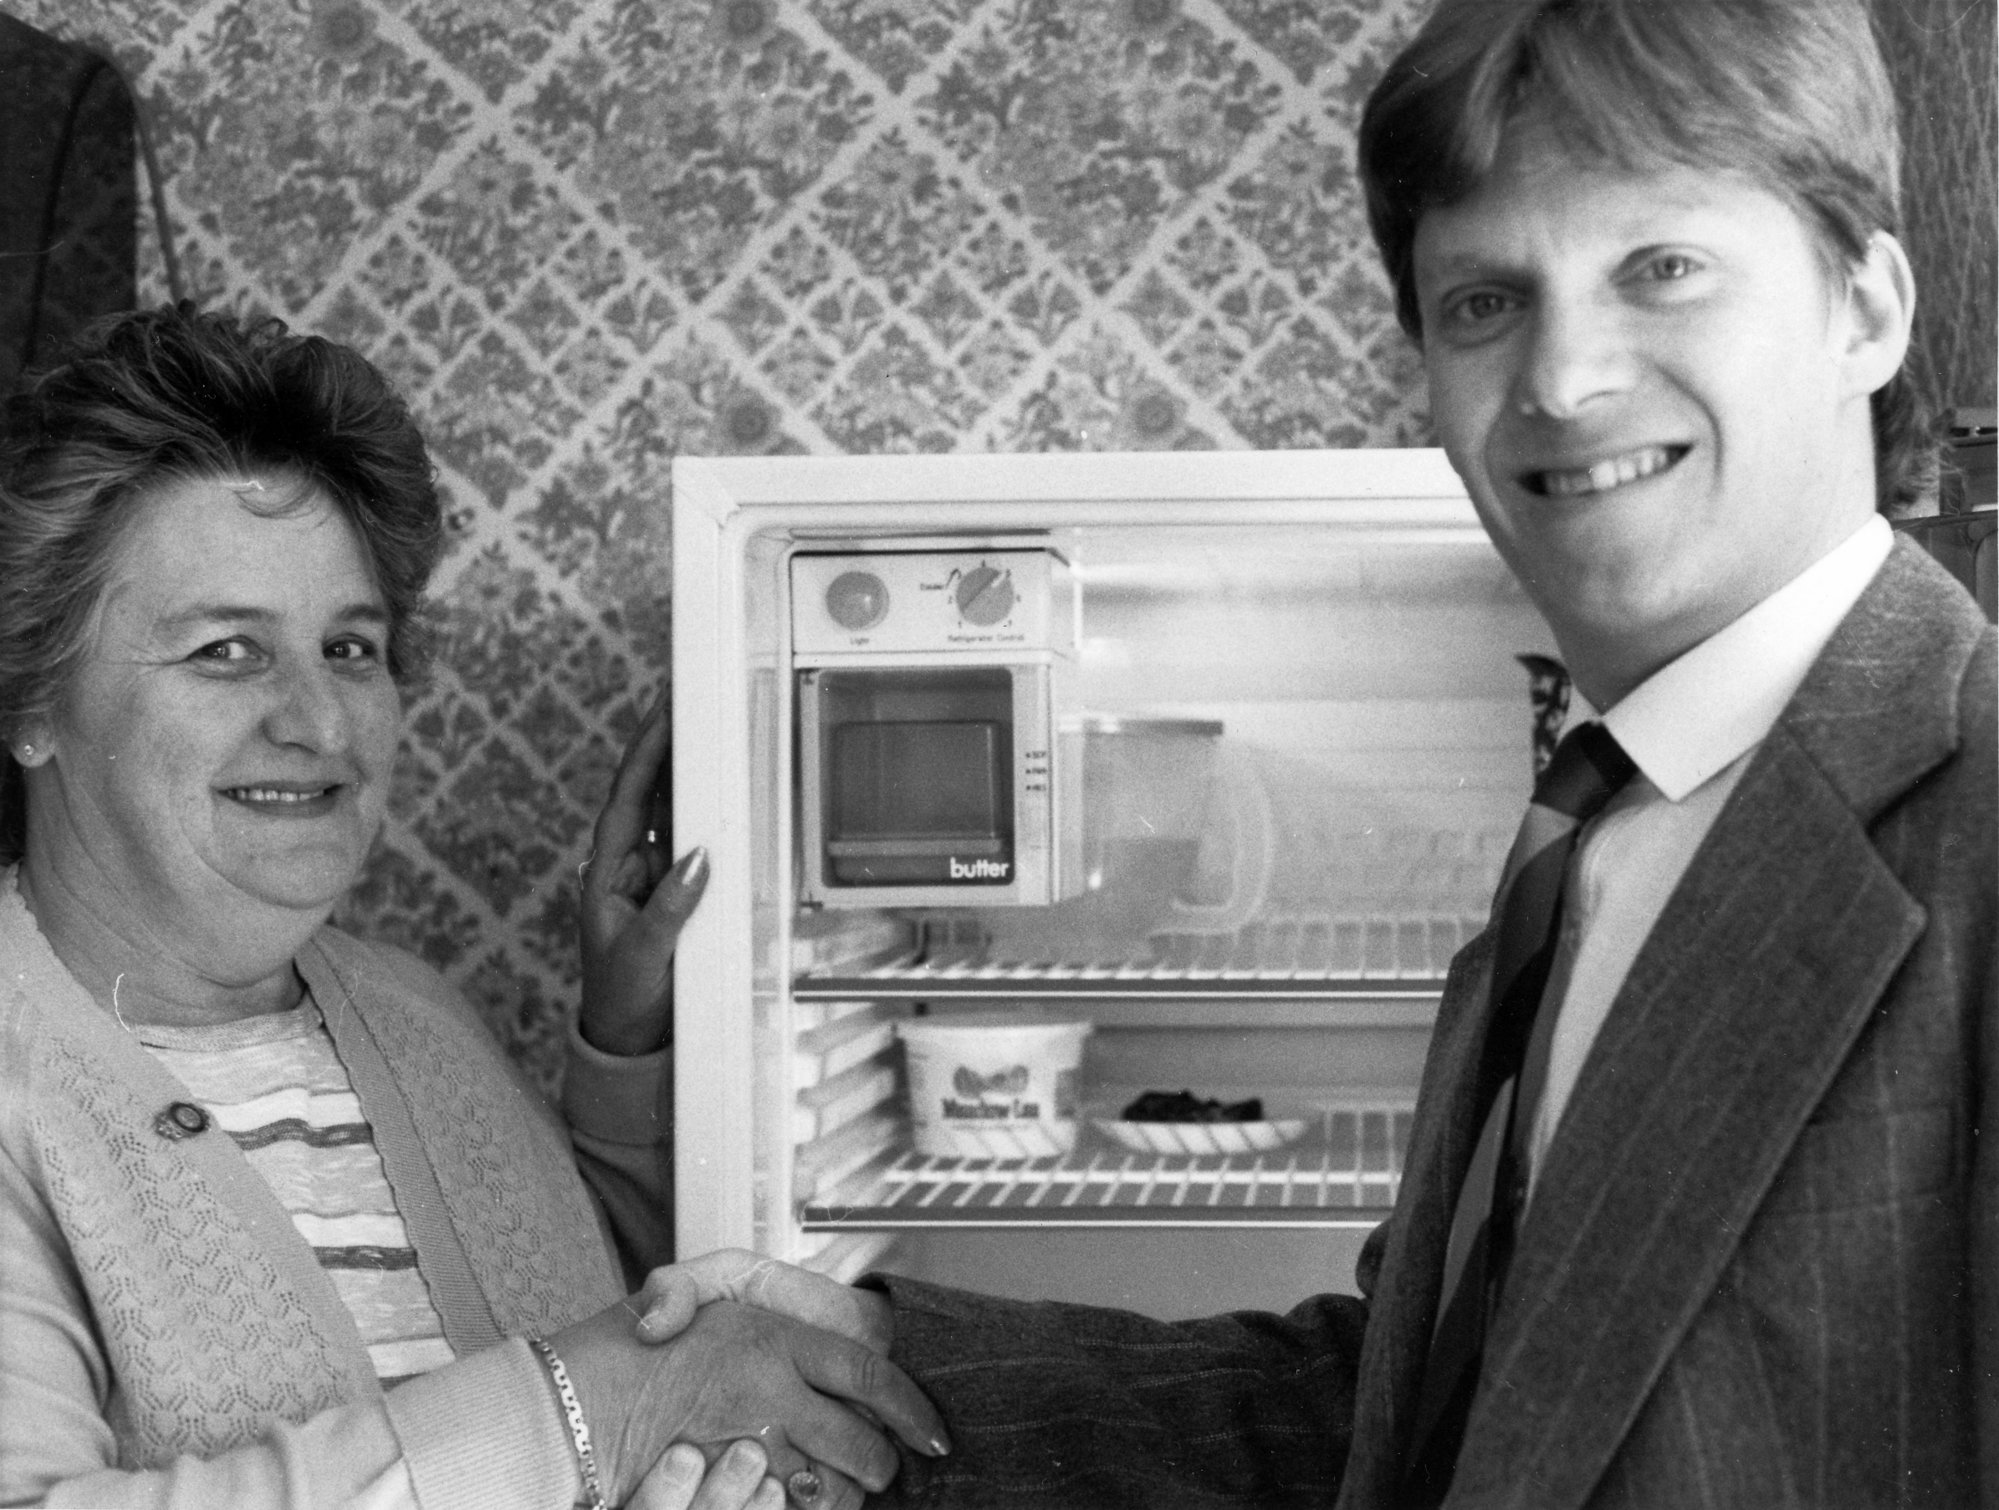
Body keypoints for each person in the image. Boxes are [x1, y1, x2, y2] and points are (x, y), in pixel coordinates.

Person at [640, 0, 1996, 1505]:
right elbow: (1427, 1417)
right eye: (1483, 301)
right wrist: (870, 1358)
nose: (1562, 377)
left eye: (1658, 268)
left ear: (1863, 307)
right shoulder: (1592, 847)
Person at [0, 304, 948, 1510]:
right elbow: (589, 1391)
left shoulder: (410, 1013)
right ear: (31, 697)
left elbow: (594, 1311)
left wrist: (629, 1042)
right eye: (226, 652)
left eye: (351, 648)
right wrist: (588, 1408)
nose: (321, 721)